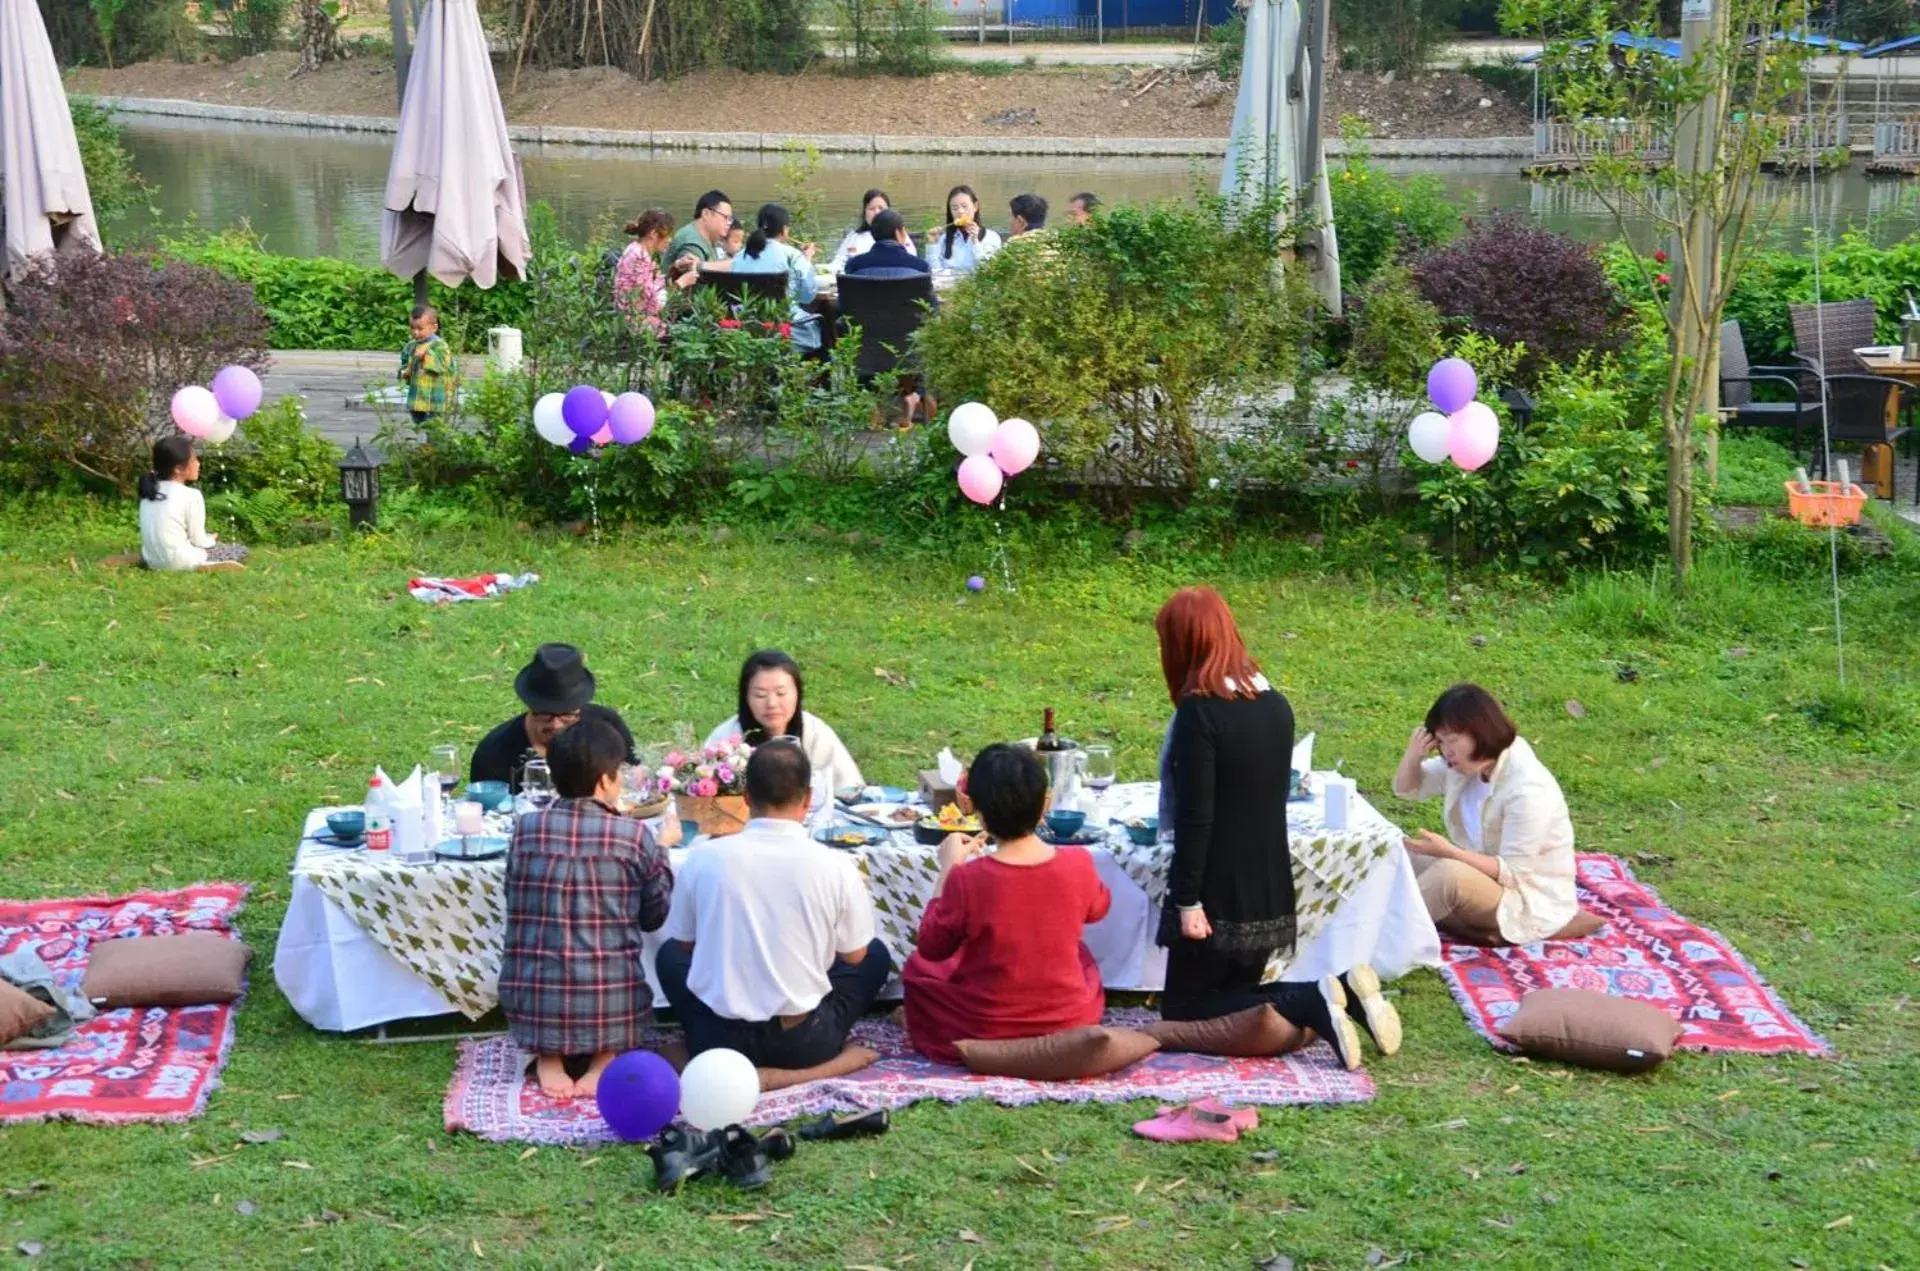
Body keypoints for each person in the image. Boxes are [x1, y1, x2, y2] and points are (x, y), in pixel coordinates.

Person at [1153, 586, 1387, 1069]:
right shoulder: (1275, 705)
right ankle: (1340, 990)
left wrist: (1187, 902)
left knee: (1183, 1010)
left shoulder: (1199, 713)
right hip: (1271, 886)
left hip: (1219, 894)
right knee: (1240, 994)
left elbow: (1199, 819)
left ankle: (1311, 999)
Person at [655, 741, 892, 1069]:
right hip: (803, 1043)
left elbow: (683, 944)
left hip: (719, 1040)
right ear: (808, 799)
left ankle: (700, 1034)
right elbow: (855, 956)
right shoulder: (836, 866)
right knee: (875, 955)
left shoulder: (703, 858)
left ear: (746, 798)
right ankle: (823, 1041)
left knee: (668, 956)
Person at [901, 744, 1111, 1065]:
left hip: (986, 1023)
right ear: (1045, 805)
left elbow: (931, 947)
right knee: (1080, 956)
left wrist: (948, 869)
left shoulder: (968, 879)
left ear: (978, 812)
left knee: (919, 970)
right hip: (1067, 1017)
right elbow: (1099, 909)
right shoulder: (1079, 862)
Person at [500, 717, 675, 1100]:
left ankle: (549, 1054)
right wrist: (662, 849)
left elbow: (515, 900)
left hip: (534, 1003)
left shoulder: (526, 829)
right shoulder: (634, 837)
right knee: (607, 963)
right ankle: (605, 1055)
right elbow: (654, 916)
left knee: (547, 953)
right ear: (605, 781)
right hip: (612, 1002)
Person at [1392, 684, 1579, 946]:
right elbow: (1407, 789)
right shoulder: (1464, 765)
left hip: (1525, 896)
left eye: (1453, 740)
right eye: (1441, 742)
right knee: (1398, 852)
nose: (1447, 751)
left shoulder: (1527, 788)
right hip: (1482, 877)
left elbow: (1514, 873)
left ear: (1480, 733)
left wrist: (1450, 852)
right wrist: (1414, 753)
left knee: (1448, 875)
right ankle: (1368, 915)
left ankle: (1379, 941)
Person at [471, 643, 638, 790]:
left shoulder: (607, 727)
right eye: (545, 714)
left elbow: (634, 781)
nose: (557, 725)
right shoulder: (494, 752)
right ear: (530, 706)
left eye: (567, 715)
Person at [705, 650, 863, 792]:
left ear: (797, 694)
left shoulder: (814, 732)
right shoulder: (727, 738)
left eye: (781, 693)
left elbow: (850, 788)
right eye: (760, 695)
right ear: (745, 697)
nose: (772, 704)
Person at [137, 436, 248, 571]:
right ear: (178, 469)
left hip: (152, 561)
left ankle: (140, 558)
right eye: (194, 460)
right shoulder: (191, 495)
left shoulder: (150, 491)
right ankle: (203, 566)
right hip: (180, 561)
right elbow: (198, 541)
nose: (198, 464)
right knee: (240, 550)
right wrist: (211, 539)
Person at [729, 203, 821, 353]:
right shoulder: (791, 255)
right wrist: (807, 260)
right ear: (784, 230)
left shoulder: (740, 257)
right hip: (785, 330)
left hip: (749, 328)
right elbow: (807, 297)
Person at [613, 208, 674, 334]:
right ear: (653, 234)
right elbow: (652, 305)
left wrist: (676, 268)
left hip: (631, 314)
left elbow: (650, 287)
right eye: (667, 235)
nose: (669, 240)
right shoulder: (639, 258)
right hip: (634, 321)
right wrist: (680, 284)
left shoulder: (636, 249)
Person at [923, 184, 1001, 275]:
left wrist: (975, 242)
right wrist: (933, 245)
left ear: (975, 206)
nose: (960, 211)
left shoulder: (991, 237)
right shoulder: (944, 239)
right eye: (954, 208)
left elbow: (988, 272)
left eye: (964, 206)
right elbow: (934, 272)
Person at [398, 304, 456, 426]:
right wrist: (404, 372)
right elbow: (404, 364)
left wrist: (427, 355)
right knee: (419, 424)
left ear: (434, 328)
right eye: (412, 328)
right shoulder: (410, 346)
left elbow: (444, 364)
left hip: (436, 398)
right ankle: (423, 443)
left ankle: (432, 443)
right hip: (417, 397)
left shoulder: (439, 345)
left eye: (420, 329)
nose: (415, 332)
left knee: (435, 427)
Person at [841, 209, 931, 277]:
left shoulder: (853, 265)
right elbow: (930, 300)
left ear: (873, 235)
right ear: (898, 233)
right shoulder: (921, 267)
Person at [666, 189, 734, 274]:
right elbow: (694, 282)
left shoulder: (709, 238)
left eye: (730, 219)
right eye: (725, 217)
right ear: (706, 213)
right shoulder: (693, 244)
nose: (729, 223)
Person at [827, 188, 892, 273]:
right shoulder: (854, 237)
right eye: (871, 209)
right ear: (864, 212)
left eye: (881, 208)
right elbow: (837, 263)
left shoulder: (898, 236)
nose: (876, 212)